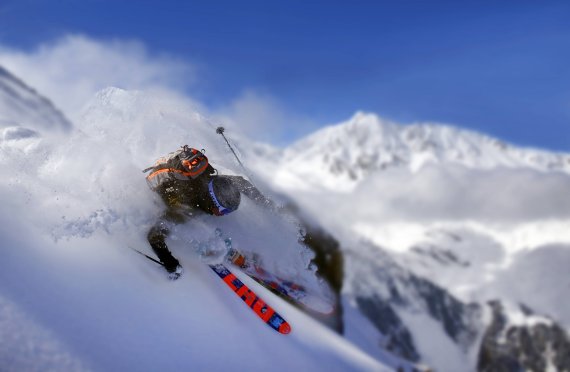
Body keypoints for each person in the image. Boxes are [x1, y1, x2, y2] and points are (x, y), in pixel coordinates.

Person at [146, 145, 275, 280]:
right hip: (170, 192)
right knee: (194, 225)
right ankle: (224, 254)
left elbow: (242, 183)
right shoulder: (184, 206)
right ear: (212, 201)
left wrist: (266, 204)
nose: (223, 214)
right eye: (223, 209)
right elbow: (154, 237)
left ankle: (233, 252)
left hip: (186, 184)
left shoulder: (216, 181)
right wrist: (171, 264)